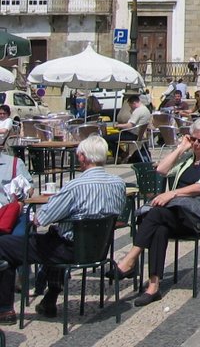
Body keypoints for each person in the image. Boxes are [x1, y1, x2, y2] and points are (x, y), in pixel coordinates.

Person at [0, 135, 125, 323]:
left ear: (82, 157)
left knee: (4, 246)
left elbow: (42, 218)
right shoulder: (118, 183)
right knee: (53, 237)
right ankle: (50, 297)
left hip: (69, 250)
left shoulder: (75, 186)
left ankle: (5, 309)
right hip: (99, 250)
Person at [108, 117, 200, 307]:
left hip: (196, 219)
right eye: (193, 139)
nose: (196, 143)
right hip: (173, 217)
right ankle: (153, 287)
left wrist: (171, 194)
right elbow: (162, 170)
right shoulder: (188, 159)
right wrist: (181, 148)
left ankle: (130, 260)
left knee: (156, 214)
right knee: (159, 226)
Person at [104, 94, 151, 158]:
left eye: (130, 105)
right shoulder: (146, 110)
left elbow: (130, 126)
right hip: (140, 134)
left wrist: (118, 125)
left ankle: (120, 155)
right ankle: (121, 154)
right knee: (113, 136)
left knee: (106, 138)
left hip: (133, 135)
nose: (130, 107)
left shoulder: (138, 111)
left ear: (134, 103)